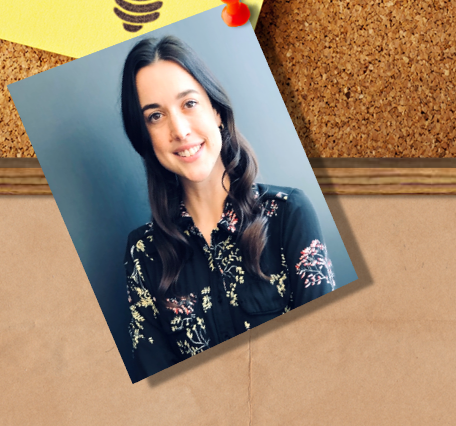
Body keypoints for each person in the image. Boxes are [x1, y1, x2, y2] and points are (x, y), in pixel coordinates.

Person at [120, 36, 335, 379]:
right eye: (156, 116)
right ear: (145, 137)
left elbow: (328, 351)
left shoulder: (288, 213)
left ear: (216, 110)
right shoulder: (143, 253)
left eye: (189, 103)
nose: (179, 129)